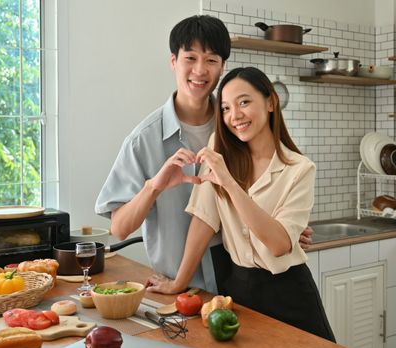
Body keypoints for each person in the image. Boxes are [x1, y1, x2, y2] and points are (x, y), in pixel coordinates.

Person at [95, 15, 312, 295]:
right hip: (179, 287)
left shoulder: (239, 127)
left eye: (211, 60)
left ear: (223, 67)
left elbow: (270, 194)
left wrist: (289, 231)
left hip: (240, 284)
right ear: (174, 62)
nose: (200, 70)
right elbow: (120, 229)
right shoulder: (143, 140)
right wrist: (154, 187)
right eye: (190, 58)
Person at [153, 66, 335, 342]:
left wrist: (228, 182)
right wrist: (179, 283)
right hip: (237, 290)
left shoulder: (300, 169)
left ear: (271, 102)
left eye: (244, 102)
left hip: (289, 293)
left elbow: (279, 245)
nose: (234, 116)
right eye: (225, 108)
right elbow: (204, 219)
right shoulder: (218, 149)